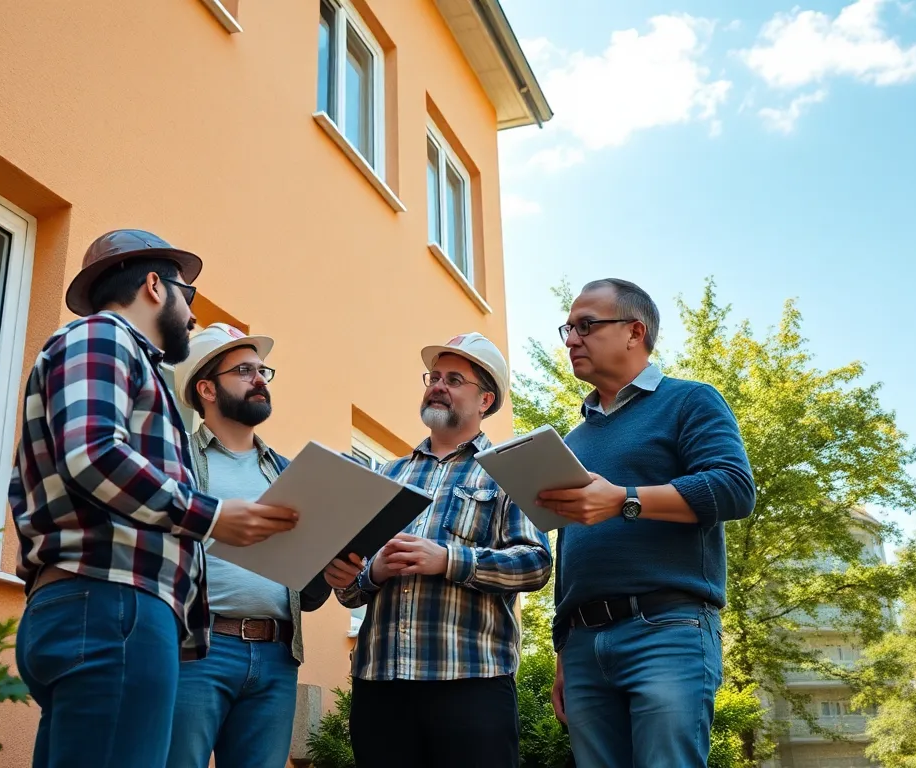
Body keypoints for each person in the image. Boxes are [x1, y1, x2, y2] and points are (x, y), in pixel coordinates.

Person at [8, 229, 299, 768]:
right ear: (153, 286)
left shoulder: (122, 358)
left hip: (95, 606)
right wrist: (210, 516)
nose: (192, 315)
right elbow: (92, 455)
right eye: (188, 294)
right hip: (113, 604)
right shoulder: (103, 338)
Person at [537, 278, 756, 768]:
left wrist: (623, 501)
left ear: (635, 331)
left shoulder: (691, 401)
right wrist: (563, 648)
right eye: (567, 329)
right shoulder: (572, 439)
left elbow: (733, 489)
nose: (571, 339)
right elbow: (570, 545)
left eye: (586, 325)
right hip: (583, 645)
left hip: (667, 628)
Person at [323, 332, 552, 768]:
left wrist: (448, 560)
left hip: (471, 685)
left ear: (486, 400)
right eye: (434, 376)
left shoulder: (508, 471)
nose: (438, 385)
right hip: (381, 685)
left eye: (454, 378)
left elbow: (535, 564)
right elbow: (351, 590)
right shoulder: (385, 475)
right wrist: (369, 574)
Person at [166, 323, 330, 767]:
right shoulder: (174, 460)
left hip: (278, 657)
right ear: (206, 389)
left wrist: (332, 565)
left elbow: (309, 584)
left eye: (262, 370)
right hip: (196, 652)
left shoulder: (289, 472)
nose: (259, 379)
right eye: (243, 370)